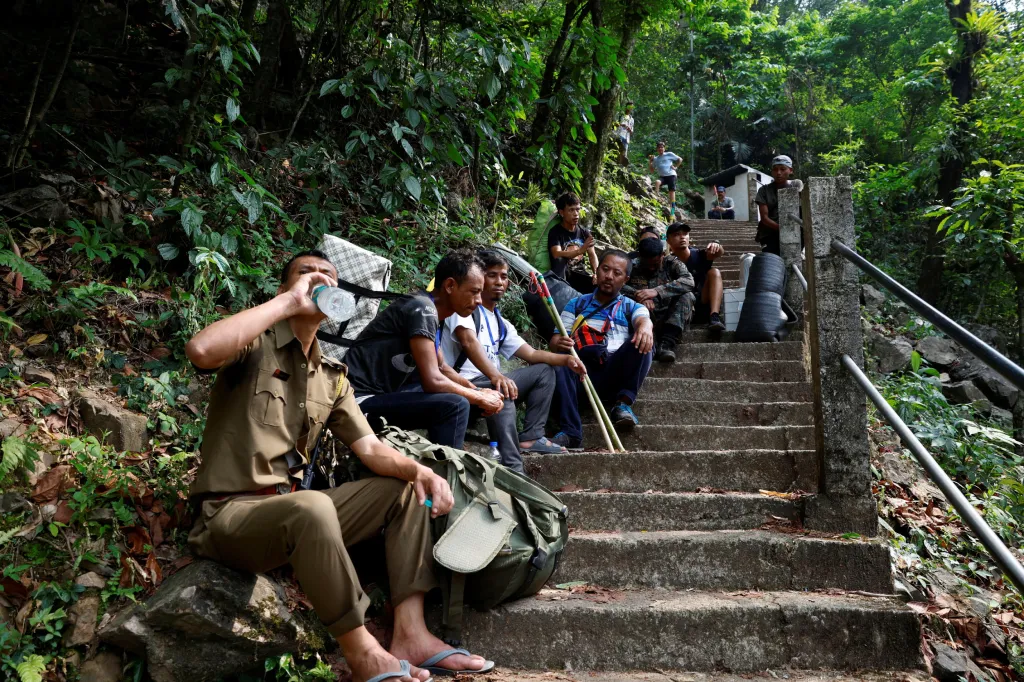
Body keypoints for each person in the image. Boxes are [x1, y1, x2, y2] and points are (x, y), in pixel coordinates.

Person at [184, 250, 493, 682]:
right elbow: (200, 350)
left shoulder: (331, 375)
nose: (317, 280)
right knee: (311, 507)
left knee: (403, 488)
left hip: (293, 516)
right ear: (284, 287)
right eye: (304, 273)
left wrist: (421, 471)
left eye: (327, 275)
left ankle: (412, 633)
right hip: (229, 515)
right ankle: (362, 650)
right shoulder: (254, 344)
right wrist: (288, 303)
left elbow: (369, 447)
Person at [440, 250, 588, 471]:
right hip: (464, 384)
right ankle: (514, 467)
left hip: (490, 382)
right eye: (492, 275)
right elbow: (468, 342)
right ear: (479, 277)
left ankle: (531, 436)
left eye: (504, 276)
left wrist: (566, 360)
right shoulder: (463, 307)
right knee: (502, 388)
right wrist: (497, 376)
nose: (500, 282)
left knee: (544, 370)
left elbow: (531, 354)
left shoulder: (500, 322)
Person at [344, 250, 505, 449]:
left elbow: (443, 368)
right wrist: (479, 396)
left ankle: (436, 462)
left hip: (383, 397)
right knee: (456, 405)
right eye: (474, 291)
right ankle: (447, 472)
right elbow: (433, 381)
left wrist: (479, 392)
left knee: (472, 403)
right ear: (450, 285)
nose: (480, 300)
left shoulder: (430, 312)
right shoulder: (423, 309)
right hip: (356, 401)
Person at [551, 249, 655, 444]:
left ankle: (623, 403)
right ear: (596, 271)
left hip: (615, 372)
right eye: (605, 269)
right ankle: (571, 431)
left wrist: (646, 327)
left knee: (644, 341)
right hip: (582, 373)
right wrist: (561, 343)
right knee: (559, 363)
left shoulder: (629, 306)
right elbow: (555, 341)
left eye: (617, 273)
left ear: (626, 279)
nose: (609, 276)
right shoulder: (576, 304)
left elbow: (643, 319)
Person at [622, 238, 696, 363]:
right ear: (640, 257)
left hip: (671, 316)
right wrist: (638, 295)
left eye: (655, 264)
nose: (651, 268)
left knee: (688, 296)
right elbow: (618, 284)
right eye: (647, 264)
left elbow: (689, 281)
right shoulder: (632, 265)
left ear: (662, 255)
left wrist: (657, 291)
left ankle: (667, 343)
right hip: (643, 317)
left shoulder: (672, 263)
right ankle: (651, 344)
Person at [666, 222, 726, 333]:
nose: (682, 237)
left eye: (685, 234)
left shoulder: (698, 255)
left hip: (702, 304)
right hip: (680, 307)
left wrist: (717, 245)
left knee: (714, 272)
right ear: (668, 241)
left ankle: (714, 317)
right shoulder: (667, 262)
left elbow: (718, 253)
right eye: (677, 234)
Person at [548, 192, 599, 293]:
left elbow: (592, 255)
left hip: (579, 274)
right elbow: (556, 253)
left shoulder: (584, 232)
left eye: (577, 209)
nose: (576, 214)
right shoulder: (555, 232)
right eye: (571, 210)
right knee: (560, 261)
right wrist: (580, 251)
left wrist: (596, 273)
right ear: (562, 212)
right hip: (562, 275)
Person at [755, 154, 800, 255]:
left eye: (783, 169)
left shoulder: (796, 186)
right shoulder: (764, 190)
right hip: (770, 232)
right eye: (775, 169)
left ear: (790, 170)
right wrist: (783, 229)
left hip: (794, 231)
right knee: (772, 260)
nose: (778, 173)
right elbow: (764, 218)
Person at [648, 141, 683, 211]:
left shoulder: (669, 154)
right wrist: (650, 162)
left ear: (664, 148)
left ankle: (672, 210)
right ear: (657, 149)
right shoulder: (656, 159)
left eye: (662, 147)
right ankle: (656, 199)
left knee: (671, 192)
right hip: (663, 177)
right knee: (657, 182)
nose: (660, 149)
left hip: (671, 175)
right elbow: (652, 171)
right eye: (659, 147)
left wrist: (676, 167)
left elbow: (680, 159)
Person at [613, 101, 635, 166]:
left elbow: (632, 131)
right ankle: (615, 165)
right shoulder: (620, 115)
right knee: (616, 151)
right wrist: (621, 125)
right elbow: (614, 124)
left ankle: (621, 168)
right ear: (626, 106)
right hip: (618, 135)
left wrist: (629, 129)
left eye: (632, 107)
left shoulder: (632, 119)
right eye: (629, 106)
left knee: (624, 154)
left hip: (626, 137)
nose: (630, 108)